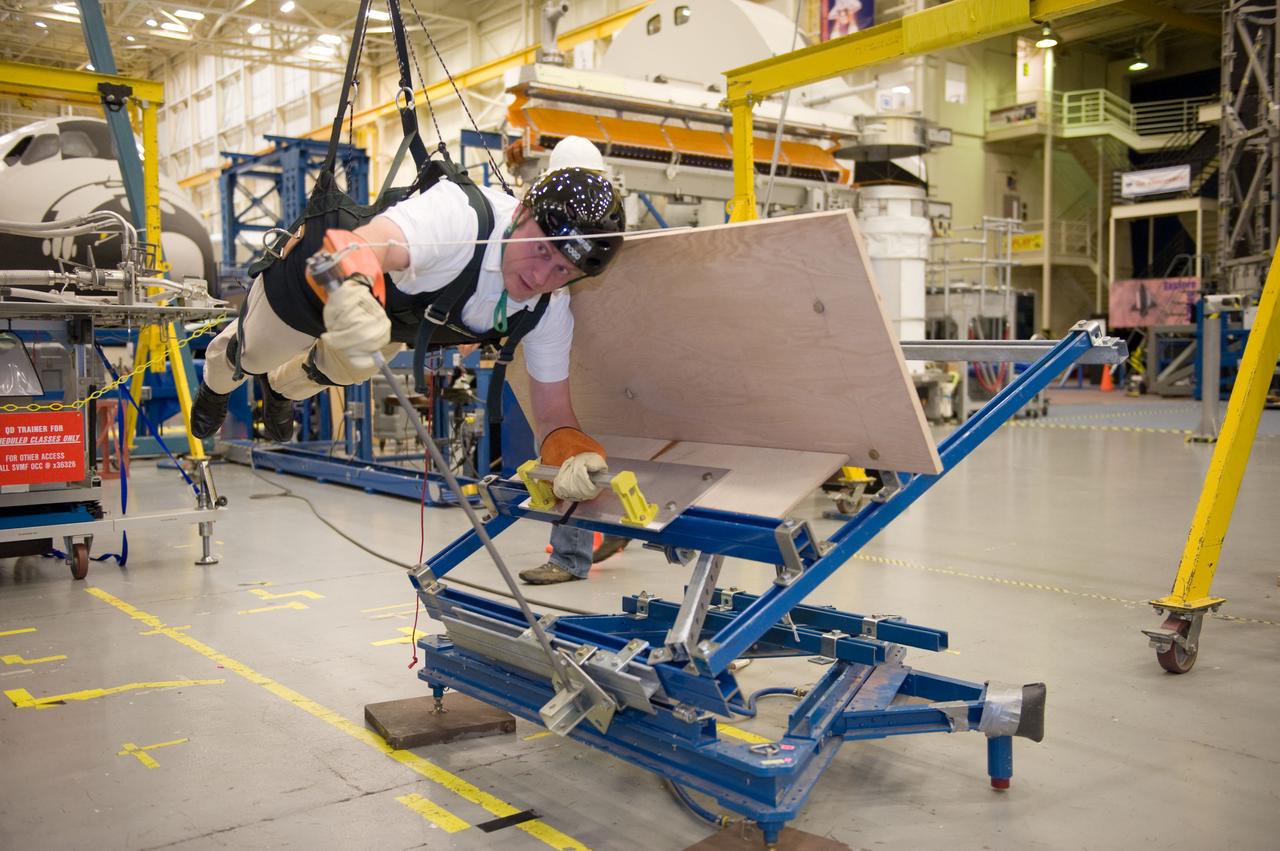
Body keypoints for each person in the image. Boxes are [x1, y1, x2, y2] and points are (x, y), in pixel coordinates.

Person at [189, 143, 626, 537]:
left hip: (386, 314)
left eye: (563, 270)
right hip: (315, 280)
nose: (540, 277)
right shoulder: (459, 216)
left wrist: (573, 453)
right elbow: (356, 247)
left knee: (355, 363)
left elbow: (553, 416)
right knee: (249, 357)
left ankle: (281, 389)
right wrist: (348, 288)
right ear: (521, 215)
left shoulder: (549, 307)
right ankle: (213, 386)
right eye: (542, 250)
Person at [520, 136, 629, 585]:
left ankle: (573, 555)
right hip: (569, 359)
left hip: (594, 362)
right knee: (564, 451)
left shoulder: (603, 238)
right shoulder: (551, 233)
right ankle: (582, 547)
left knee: (570, 454)